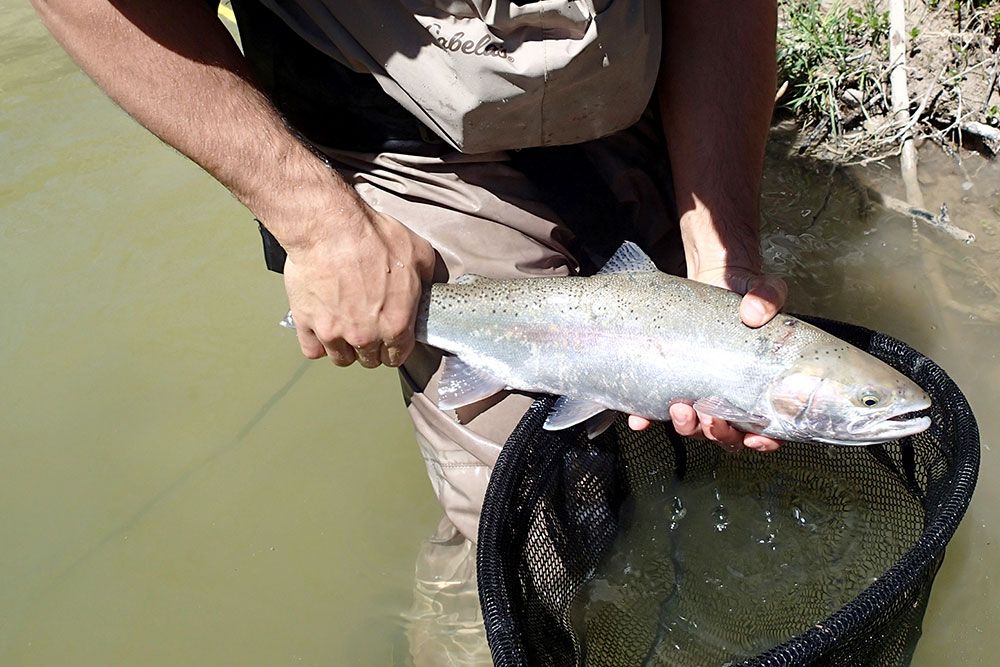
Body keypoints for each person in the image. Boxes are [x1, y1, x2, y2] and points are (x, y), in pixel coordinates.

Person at [31, 0, 786, 544]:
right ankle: (464, 621)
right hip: (406, 138)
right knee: (535, 517)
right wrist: (317, 224)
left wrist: (724, 239)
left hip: (638, 82)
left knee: (705, 445)